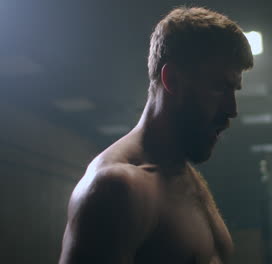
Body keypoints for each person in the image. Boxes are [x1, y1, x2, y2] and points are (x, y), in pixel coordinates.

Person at [59, 7, 253, 264]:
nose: (232, 109)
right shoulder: (116, 189)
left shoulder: (185, 175)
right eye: (219, 87)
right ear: (172, 79)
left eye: (234, 90)